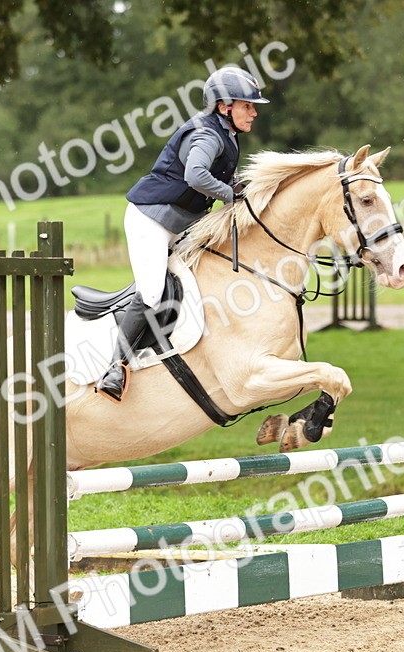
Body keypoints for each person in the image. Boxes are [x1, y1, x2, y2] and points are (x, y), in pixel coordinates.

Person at [95, 66, 269, 402]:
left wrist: (236, 187)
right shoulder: (205, 135)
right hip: (152, 221)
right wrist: (231, 195)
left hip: (183, 223)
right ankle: (114, 366)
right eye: (248, 105)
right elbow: (195, 175)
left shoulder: (228, 136)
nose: (254, 111)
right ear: (224, 107)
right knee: (152, 291)